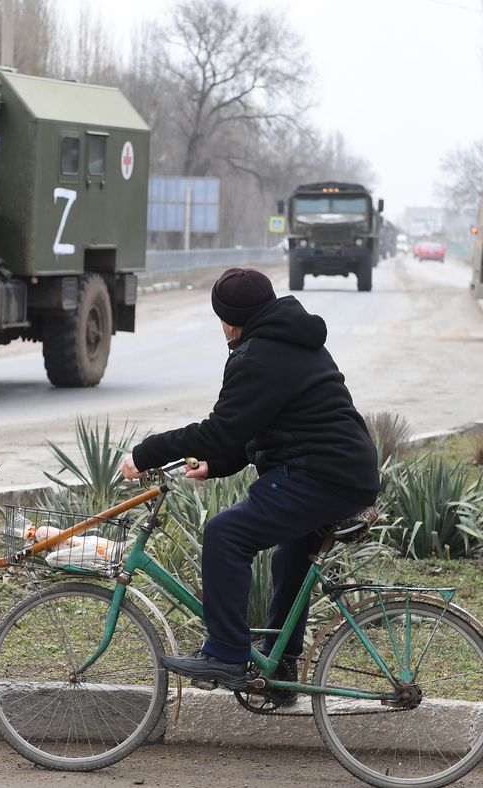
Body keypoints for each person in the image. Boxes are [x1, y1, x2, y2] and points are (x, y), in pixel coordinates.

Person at [120, 267, 379, 697]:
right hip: (342, 471)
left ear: (227, 320)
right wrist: (217, 464)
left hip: (322, 474)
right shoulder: (292, 340)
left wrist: (145, 453)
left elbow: (220, 430)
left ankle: (225, 652)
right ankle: (280, 673)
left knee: (225, 534)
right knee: (290, 557)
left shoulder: (257, 356)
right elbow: (261, 425)